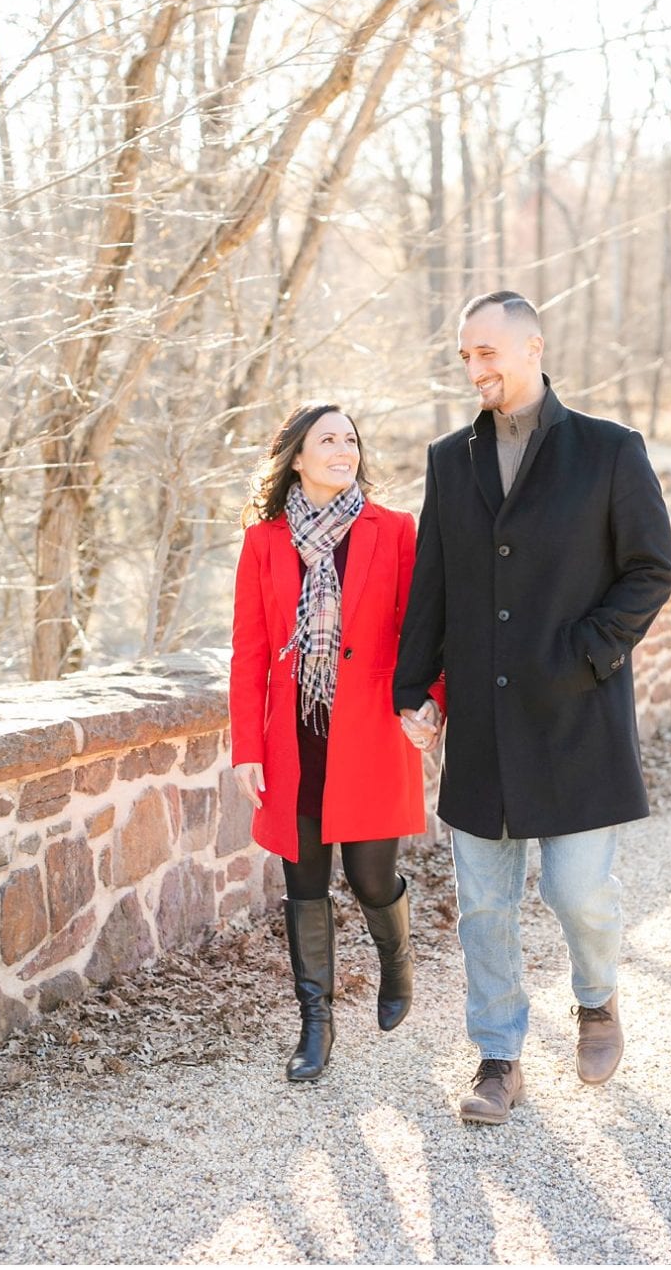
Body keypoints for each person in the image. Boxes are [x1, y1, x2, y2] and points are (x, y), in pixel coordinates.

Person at [394, 289, 671, 1125]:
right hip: (483, 723)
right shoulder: (450, 461)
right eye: (465, 356)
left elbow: (650, 569)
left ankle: (596, 999)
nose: (476, 368)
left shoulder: (609, 451)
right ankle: (498, 1058)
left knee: (579, 889)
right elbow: (433, 585)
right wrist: (415, 686)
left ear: (532, 347)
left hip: (577, 715)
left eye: (488, 352)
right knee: (483, 902)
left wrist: (588, 650)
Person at [229, 402, 438, 1081]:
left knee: (371, 875)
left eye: (350, 438)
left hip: (373, 731)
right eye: (328, 439)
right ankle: (314, 1024)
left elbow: (423, 631)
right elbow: (249, 650)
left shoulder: (393, 529)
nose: (343, 448)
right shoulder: (264, 540)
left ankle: (396, 959)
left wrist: (431, 702)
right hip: (294, 739)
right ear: (296, 457)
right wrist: (247, 747)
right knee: (305, 881)